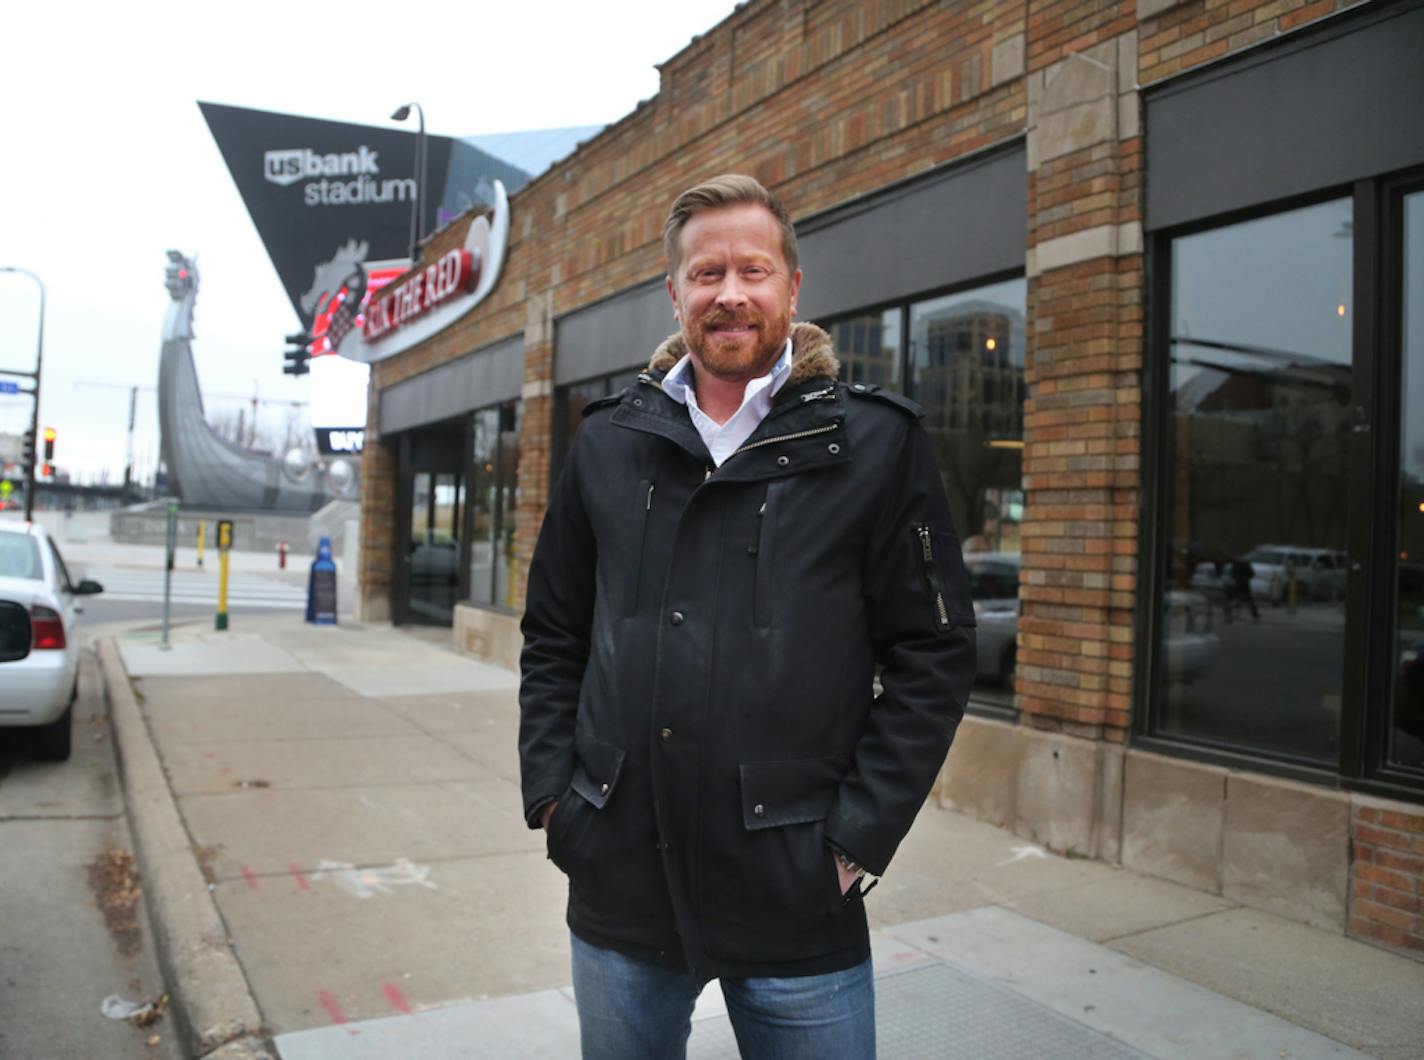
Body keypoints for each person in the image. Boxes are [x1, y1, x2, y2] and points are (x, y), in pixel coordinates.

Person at [519, 174, 977, 1059]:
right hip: (621, 877)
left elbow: (935, 653)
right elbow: (555, 632)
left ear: (792, 289)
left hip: (796, 889)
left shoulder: (877, 445)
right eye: (707, 272)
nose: (730, 292)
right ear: (676, 292)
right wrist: (554, 799)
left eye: (754, 270)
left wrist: (856, 839)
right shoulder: (610, 440)